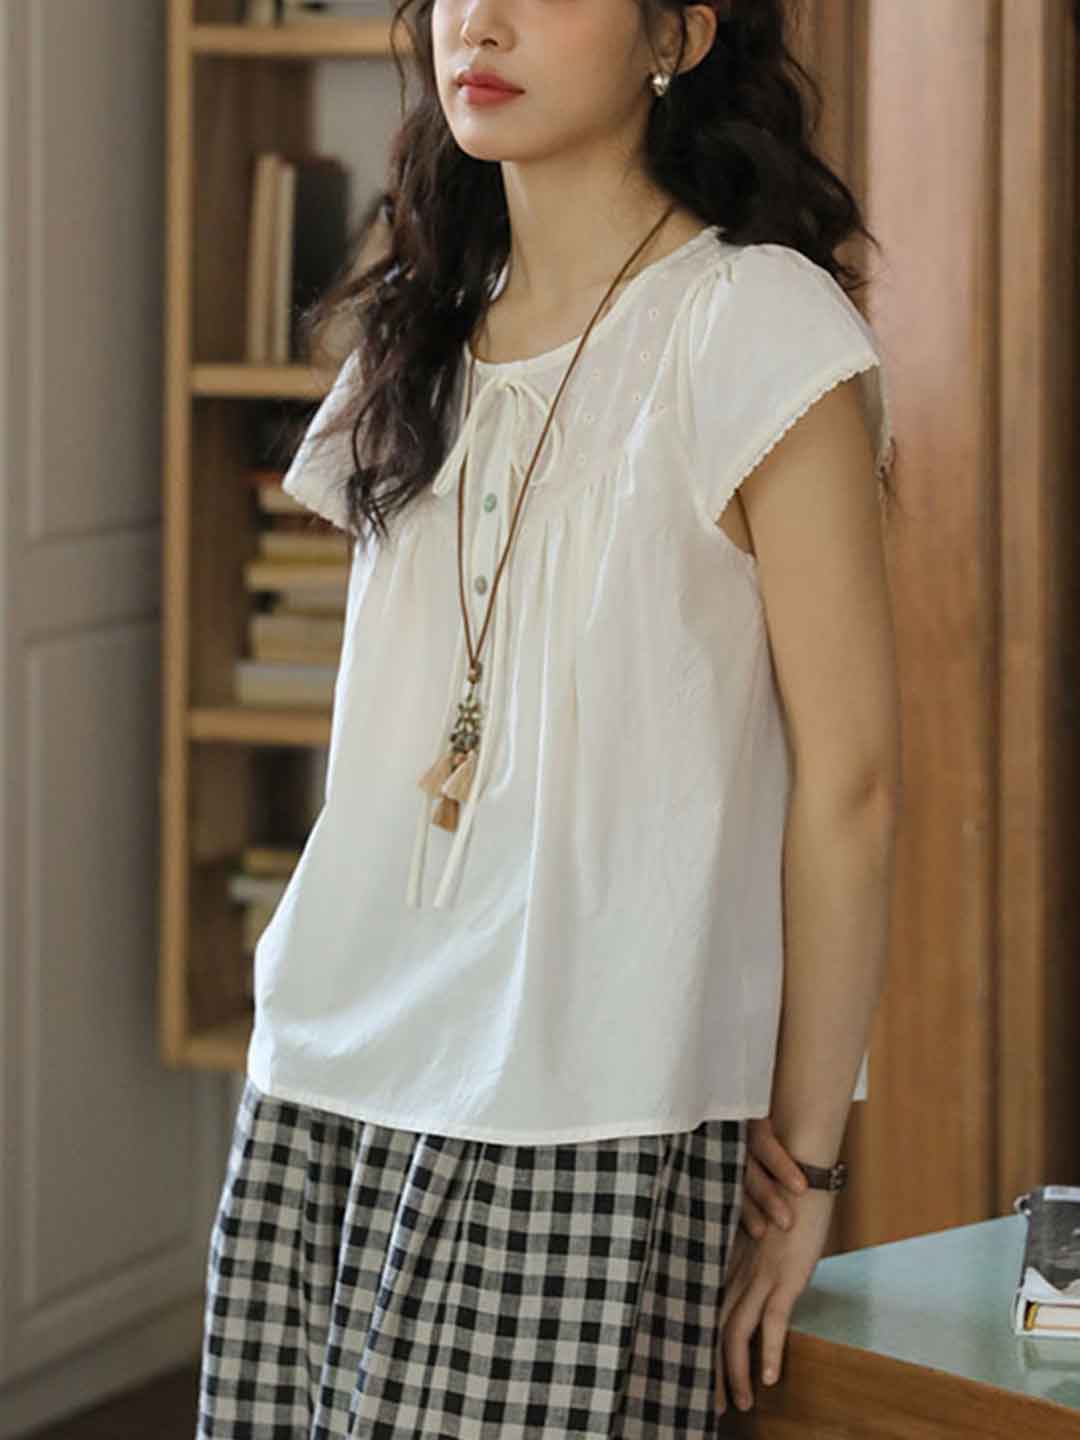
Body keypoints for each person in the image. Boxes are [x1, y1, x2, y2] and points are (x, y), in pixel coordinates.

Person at [196, 0, 902, 1433]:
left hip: (586, 1103)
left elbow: (854, 785)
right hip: (330, 1086)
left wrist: (806, 1172)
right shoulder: (418, 330)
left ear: (676, 35)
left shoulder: (751, 326)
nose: (483, 20)